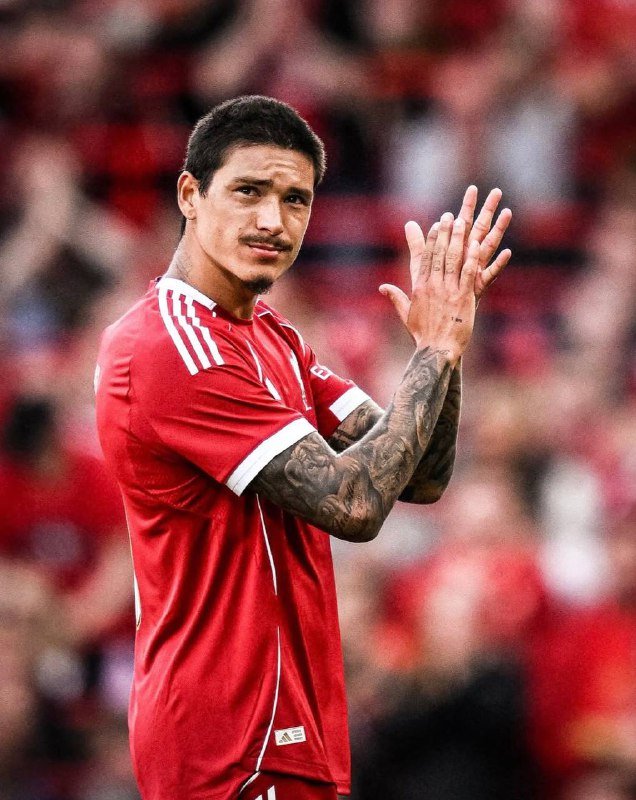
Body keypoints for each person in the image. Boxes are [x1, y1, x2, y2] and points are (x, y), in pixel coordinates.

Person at [94, 95, 511, 800]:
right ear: (190, 195)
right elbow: (354, 504)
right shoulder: (171, 346)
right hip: (230, 735)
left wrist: (446, 345)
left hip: (290, 722)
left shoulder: (271, 336)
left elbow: (419, 476)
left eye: (296, 199)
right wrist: (433, 355)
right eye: (249, 191)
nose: (273, 220)